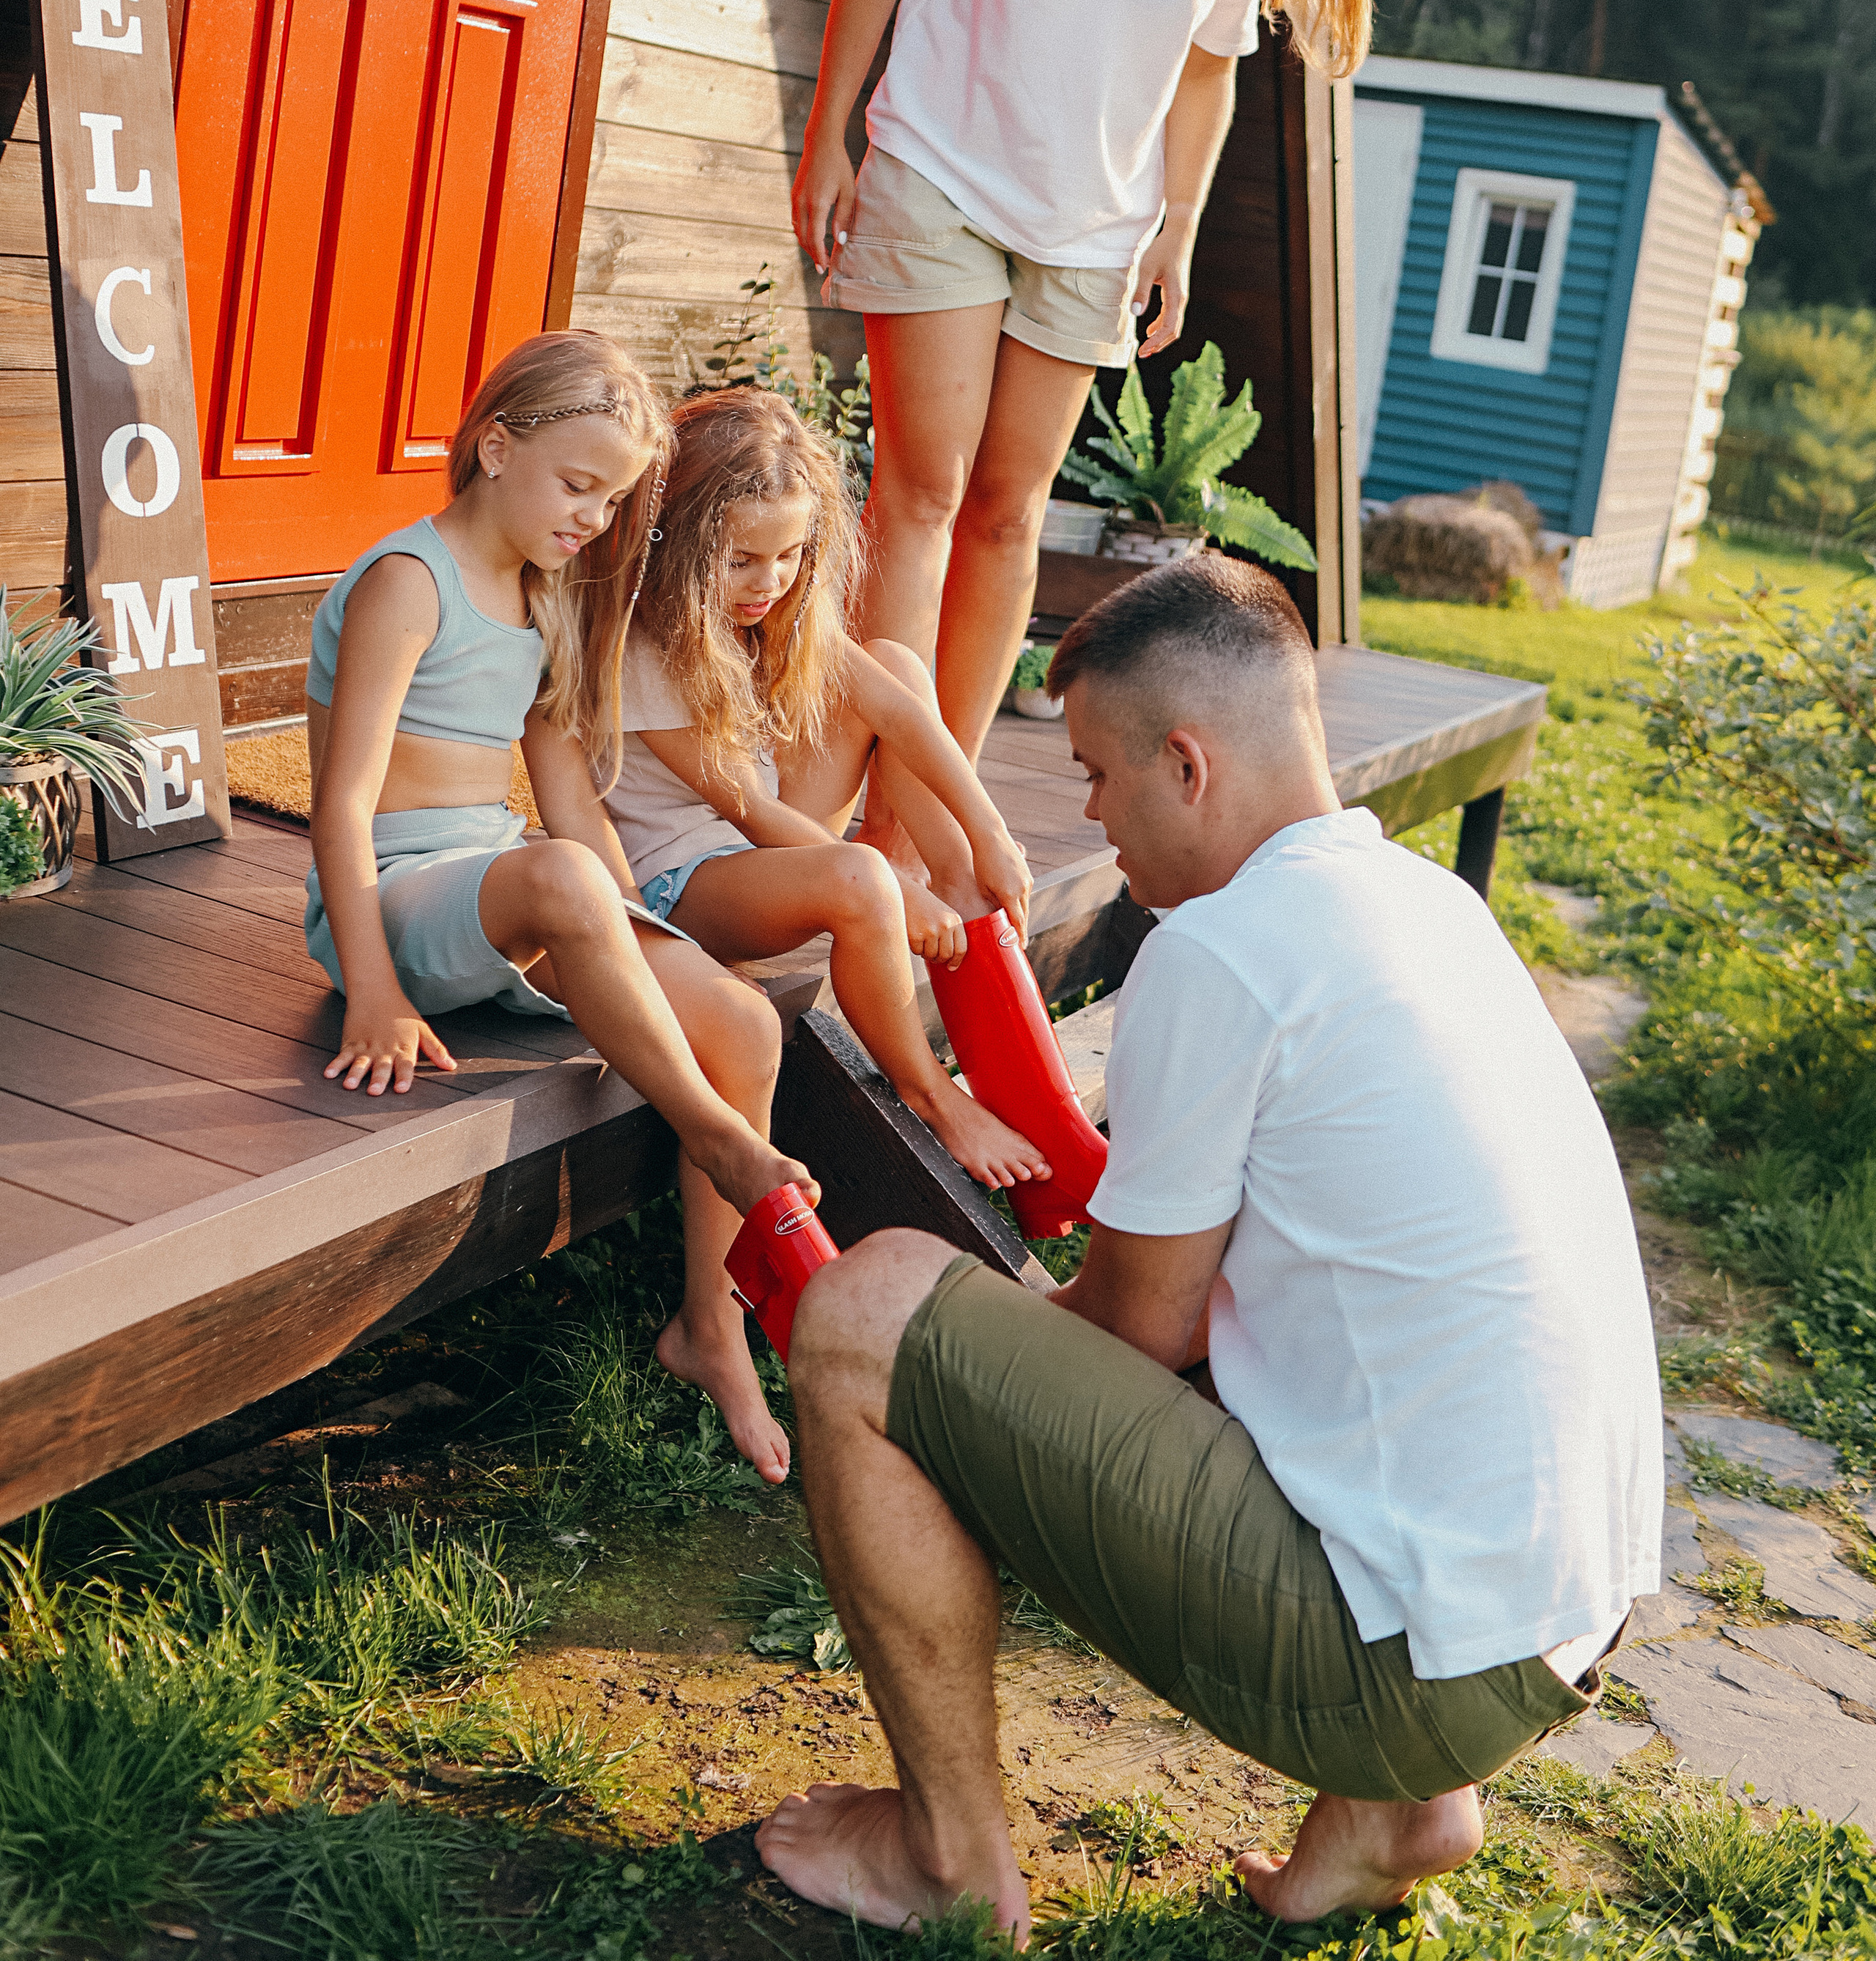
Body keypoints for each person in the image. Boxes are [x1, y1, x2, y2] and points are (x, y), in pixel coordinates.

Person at [756, 555, 1663, 1936]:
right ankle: (1397, 1814)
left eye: (1098, 774)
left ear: (1187, 762)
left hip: (1413, 1668)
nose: (1091, 811)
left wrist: (978, 1347)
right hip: (1558, 1624)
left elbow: (1140, 1332)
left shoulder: (1223, 951)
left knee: (869, 1310)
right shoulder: (1434, 909)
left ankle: (943, 1858)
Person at [791, 0, 1375, 761]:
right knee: (922, 494)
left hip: (1092, 229)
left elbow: (1208, 69)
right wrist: (829, 144)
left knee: (1009, 516)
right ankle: (838, 794)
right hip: (938, 173)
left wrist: (1181, 227)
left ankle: (925, 821)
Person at [306, 330, 816, 1486]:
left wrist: (647, 935)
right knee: (563, 877)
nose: (593, 518)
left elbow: (562, 804)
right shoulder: (408, 581)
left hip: (500, 878)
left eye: (613, 497)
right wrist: (372, 992)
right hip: (388, 902)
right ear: (495, 446)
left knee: (744, 1023)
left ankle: (709, 1328)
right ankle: (721, 1139)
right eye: (578, 485)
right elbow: (340, 805)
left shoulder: (540, 597)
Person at [597, 386, 1047, 1192]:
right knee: (861, 877)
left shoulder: (772, 610)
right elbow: (750, 810)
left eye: (790, 554)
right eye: (739, 560)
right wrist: (888, 893)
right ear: (677, 542)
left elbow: (900, 719)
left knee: (894, 668)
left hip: (757, 844)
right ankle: (929, 1092)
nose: (767, 581)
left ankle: (958, 889)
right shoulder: (645, 647)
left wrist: (987, 836)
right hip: (681, 887)